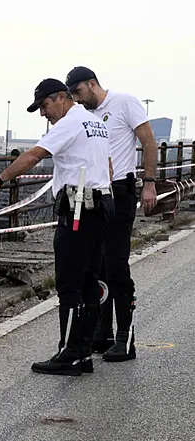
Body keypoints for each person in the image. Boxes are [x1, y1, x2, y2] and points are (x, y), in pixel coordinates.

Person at [0, 78, 114, 376]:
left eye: (45, 106)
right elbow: (108, 165)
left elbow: (35, 155)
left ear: (62, 98)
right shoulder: (94, 123)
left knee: (70, 283)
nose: (43, 114)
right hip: (101, 205)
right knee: (89, 282)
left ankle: (70, 354)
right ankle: (83, 353)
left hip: (79, 208)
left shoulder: (70, 123)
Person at [65, 66, 157, 362]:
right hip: (98, 194)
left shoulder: (124, 102)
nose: (77, 99)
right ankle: (102, 332)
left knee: (116, 266)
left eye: (79, 92)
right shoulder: (85, 115)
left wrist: (150, 184)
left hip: (122, 191)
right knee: (98, 266)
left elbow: (149, 142)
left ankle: (125, 338)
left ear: (92, 84)